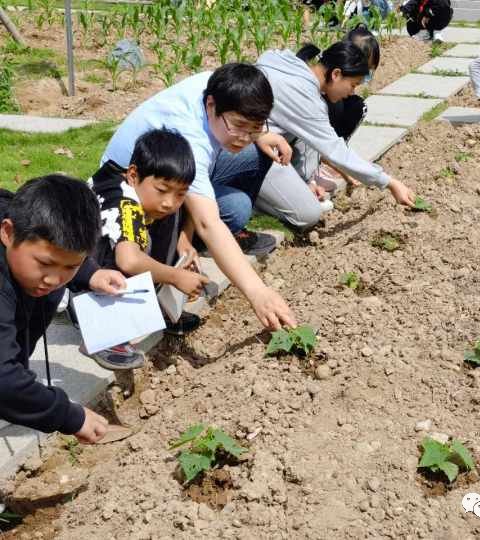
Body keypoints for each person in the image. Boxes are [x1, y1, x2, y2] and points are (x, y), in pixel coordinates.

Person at [99, 63, 297, 331]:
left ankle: (169, 277)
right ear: (211, 104)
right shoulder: (190, 137)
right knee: (225, 211)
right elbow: (208, 222)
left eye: (254, 128)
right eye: (239, 125)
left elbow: (187, 190)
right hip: (132, 193)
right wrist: (257, 292)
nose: (244, 137)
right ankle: (141, 309)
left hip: (166, 181)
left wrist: (257, 135)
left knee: (231, 201)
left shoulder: (215, 85)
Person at [0, 175, 128, 444]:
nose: (53, 278)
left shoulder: (28, 226)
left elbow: (65, 257)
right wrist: (69, 415)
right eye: (45, 263)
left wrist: (90, 274)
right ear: (7, 232)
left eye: (69, 267)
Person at [243, 40, 414, 230]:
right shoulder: (306, 97)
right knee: (308, 214)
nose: (351, 93)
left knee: (305, 147)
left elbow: (302, 139)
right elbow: (336, 151)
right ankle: (247, 197)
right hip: (251, 152)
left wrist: (305, 180)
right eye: (353, 85)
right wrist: (389, 182)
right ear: (336, 74)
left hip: (253, 140)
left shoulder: (288, 63)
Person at [86, 128, 208, 370]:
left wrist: (184, 240)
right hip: (82, 277)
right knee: (138, 244)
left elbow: (182, 206)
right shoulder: (124, 203)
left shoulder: (154, 198)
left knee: (171, 216)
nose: (169, 201)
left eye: (180, 193)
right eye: (162, 190)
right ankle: (108, 333)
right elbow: (128, 260)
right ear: (133, 175)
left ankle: (156, 306)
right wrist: (175, 276)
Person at [313, 24, 380, 193]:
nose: (365, 76)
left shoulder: (337, 89)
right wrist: (348, 173)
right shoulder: (315, 97)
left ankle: (331, 160)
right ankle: (319, 165)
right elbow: (318, 137)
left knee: (358, 106)